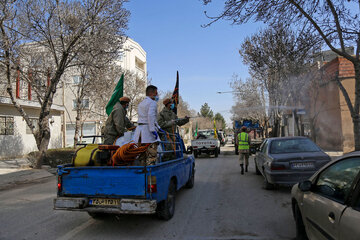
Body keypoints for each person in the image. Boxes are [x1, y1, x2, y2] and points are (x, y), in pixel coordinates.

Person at [133, 85, 160, 165]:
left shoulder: (141, 103)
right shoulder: (152, 103)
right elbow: (151, 116)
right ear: (152, 93)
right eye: (156, 92)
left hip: (139, 133)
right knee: (151, 156)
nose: (157, 94)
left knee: (142, 155)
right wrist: (153, 130)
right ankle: (150, 176)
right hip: (148, 132)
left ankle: (142, 174)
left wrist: (158, 127)